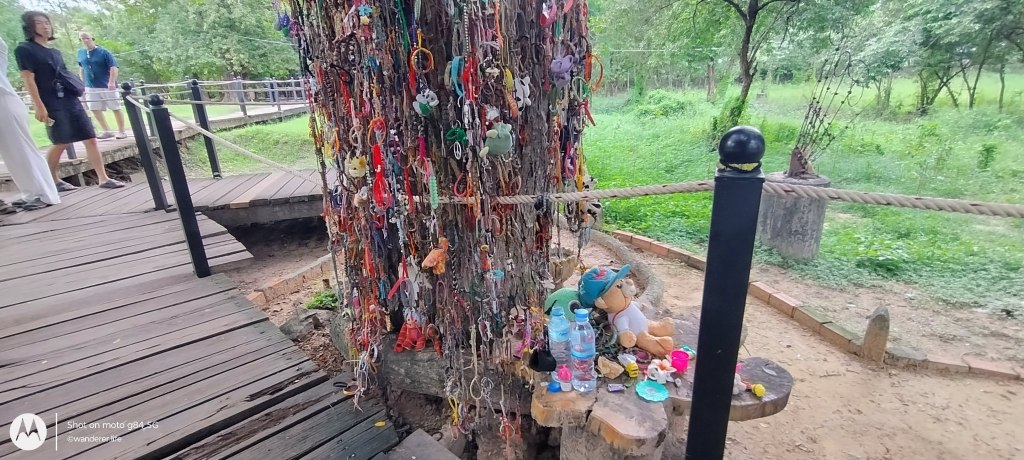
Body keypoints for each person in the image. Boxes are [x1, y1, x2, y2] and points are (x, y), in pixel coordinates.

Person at [15, 11, 124, 191]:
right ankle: (52, 179)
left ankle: (103, 178)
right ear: (30, 26)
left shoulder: (55, 52)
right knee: (61, 141)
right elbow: (28, 78)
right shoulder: (25, 50)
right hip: (51, 101)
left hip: (70, 98)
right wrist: (39, 105)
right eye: (39, 23)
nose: (45, 26)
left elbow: (64, 74)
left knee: (90, 137)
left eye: (47, 22)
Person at [0, 37, 60, 211]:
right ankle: (30, 193)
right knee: (12, 155)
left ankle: (45, 194)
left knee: (22, 150)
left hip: (4, 104)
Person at [77, 31, 126, 140]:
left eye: (87, 38)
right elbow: (81, 68)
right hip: (90, 86)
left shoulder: (104, 52)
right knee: (93, 108)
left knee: (115, 107)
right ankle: (107, 130)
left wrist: (111, 81)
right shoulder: (80, 53)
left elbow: (114, 67)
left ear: (92, 39)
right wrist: (82, 83)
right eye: (82, 39)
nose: (85, 41)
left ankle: (122, 131)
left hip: (106, 85)